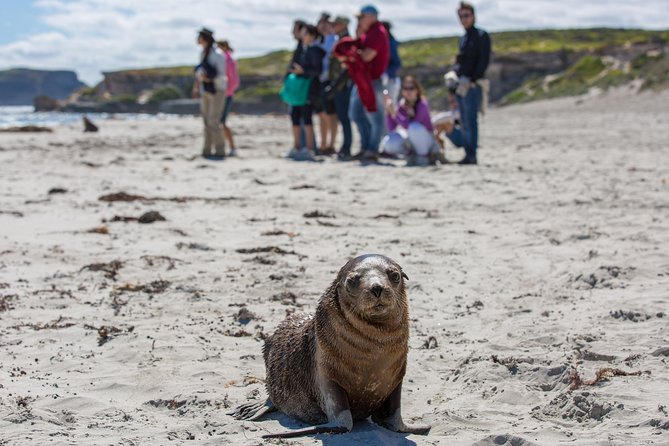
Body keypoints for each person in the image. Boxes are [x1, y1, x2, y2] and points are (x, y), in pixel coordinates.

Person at [348, 4, 389, 162]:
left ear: (372, 17)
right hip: (362, 80)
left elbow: (366, 56)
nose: (359, 21)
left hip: (373, 81)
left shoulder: (378, 32)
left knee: (375, 116)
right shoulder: (368, 33)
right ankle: (366, 147)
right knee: (356, 113)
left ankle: (372, 149)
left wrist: (351, 55)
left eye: (361, 17)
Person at [453, 1, 491, 165]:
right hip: (461, 84)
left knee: (471, 120)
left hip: (473, 84)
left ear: (473, 16)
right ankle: (467, 153)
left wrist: (474, 79)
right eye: (461, 16)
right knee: (464, 121)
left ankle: (472, 155)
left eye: (466, 15)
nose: (464, 19)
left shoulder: (481, 36)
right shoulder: (464, 38)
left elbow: (484, 60)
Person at [287, 25, 325, 161]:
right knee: (295, 117)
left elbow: (317, 71)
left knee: (307, 118)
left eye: (305, 34)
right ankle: (297, 147)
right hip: (299, 91)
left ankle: (309, 149)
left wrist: (303, 72)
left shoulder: (315, 51)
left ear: (312, 35)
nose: (302, 37)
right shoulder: (303, 50)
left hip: (309, 91)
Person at [381, 76, 440, 166]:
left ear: (417, 90)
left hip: (427, 140)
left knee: (414, 128)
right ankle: (411, 155)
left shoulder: (422, 104)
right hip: (411, 139)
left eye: (411, 88)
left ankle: (423, 156)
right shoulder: (402, 104)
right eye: (405, 88)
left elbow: (409, 125)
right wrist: (389, 112)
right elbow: (391, 128)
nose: (408, 91)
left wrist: (395, 114)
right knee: (389, 142)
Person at [192, 28, 228, 160]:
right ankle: (206, 149)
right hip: (205, 90)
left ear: (204, 39)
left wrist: (209, 79)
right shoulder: (203, 53)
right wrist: (197, 85)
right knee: (206, 121)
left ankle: (220, 150)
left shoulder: (218, 55)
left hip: (217, 90)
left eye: (199, 37)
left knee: (213, 120)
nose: (197, 40)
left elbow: (222, 75)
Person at [330, 16, 354, 160]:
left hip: (344, 86)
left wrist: (336, 85)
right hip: (339, 85)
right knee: (342, 117)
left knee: (345, 118)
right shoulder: (339, 41)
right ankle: (345, 147)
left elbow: (348, 68)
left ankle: (346, 147)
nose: (334, 26)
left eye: (336, 24)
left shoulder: (347, 42)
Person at [316, 13, 338, 155]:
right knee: (321, 113)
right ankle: (323, 144)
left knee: (331, 113)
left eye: (325, 23)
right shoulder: (318, 40)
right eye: (321, 23)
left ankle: (332, 144)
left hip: (330, 80)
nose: (323, 26)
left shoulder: (334, 40)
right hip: (319, 80)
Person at [217, 40, 239, 157]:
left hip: (226, 95)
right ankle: (227, 147)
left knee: (222, 122)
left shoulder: (228, 60)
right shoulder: (226, 59)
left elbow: (234, 80)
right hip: (225, 94)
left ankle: (232, 147)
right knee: (220, 122)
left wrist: (225, 91)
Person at [382, 21, 402, 103]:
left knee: (390, 104)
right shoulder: (389, 42)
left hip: (390, 81)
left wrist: (386, 74)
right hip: (384, 81)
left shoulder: (391, 44)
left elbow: (397, 64)